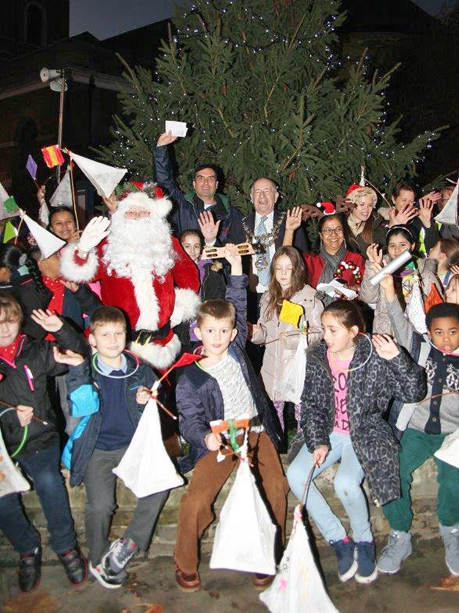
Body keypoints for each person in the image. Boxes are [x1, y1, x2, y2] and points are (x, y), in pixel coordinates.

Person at [173, 244, 287, 593]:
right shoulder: (190, 376)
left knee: (276, 488)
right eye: (210, 331)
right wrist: (203, 437)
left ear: (234, 333)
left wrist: (237, 266)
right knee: (196, 499)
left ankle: (268, 555)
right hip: (220, 438)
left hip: (255, 431)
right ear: (198, 332)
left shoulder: (236, 350)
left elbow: (237, 301)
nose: (218, 338)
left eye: (224, 331)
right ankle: (185, 562)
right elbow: (188, 420)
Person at [287, 300, 425, 585]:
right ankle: (338, 539)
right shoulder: (317, 357)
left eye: (332, 330)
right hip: (329, 432)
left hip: (364, 433)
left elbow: (413, 392)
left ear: (352, 331)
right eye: (324, 328)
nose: (325, 336)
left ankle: (364, 541)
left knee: (346, 483)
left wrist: (397, 358)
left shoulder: (374, 355)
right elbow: (311, 405)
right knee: (296, 475)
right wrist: (318, 441)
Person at [376, 277, 459, 578]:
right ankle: (400, 533)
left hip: (453, 434)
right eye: (438, 332)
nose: (446, 339)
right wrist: (389, 291)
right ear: (429, 333)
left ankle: (450, 529)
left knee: (453, 481)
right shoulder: (420, 349)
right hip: (416, 430)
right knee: (392, 471)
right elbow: (400, 323)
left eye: (453, 332)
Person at [61, 306, 169, 588]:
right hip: (97, 447)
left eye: (118, 333)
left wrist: (147, 398)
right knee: (100, 506)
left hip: (132, 446)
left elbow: (159, 402)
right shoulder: (85, 369)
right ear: (92, 340)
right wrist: (79, 374)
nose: (112, 340)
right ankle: (98, 558)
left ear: (126, 336)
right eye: (105, 334)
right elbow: (79, 407)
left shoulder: (140, 368)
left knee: (159, 483)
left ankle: (128, 543)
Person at [0, 295, 89, 592]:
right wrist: (10, 417)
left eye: (10, 321)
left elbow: (77, 354)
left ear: (19, 321)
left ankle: (65, 545)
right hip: (3, 446)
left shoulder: (36, 350)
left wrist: (61, 329)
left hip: (40, 438)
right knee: (2, 497)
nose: (5, 329)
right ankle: (28, 547)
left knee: (49, 481)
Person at [60, 183, 200, 369]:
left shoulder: (167, 242)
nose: (137, 217)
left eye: (143, 212)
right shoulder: (108, 245)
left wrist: (180, 308)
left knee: (157, 387)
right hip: (118, 344)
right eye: (131, 212)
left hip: (161, 342)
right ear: (121, 215)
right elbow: (83, 275)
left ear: (154, 214)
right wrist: (83, 250)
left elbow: (189, 275)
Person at [250, 246, 323, 440]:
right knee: (273, 416)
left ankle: (302, 449)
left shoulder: (310, 297)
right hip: (271, 366)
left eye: (288, 268)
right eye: (278, 268)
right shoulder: (268, 296)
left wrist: (294, 340)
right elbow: (265, 333)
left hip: (297, 366)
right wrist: (255, 333)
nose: (283, 273)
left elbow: (319, 332)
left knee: (302, 416)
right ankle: (277, 448)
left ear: (297, 269)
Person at [153, 131, 243, 243]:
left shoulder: (231, 215)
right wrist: (161, 148)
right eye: (201, 178)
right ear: (194, 184)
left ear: (216, 184)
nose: (206, 182)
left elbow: (239, 246)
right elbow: (165, 182)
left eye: (211, 178)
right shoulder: (181, 207)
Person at [358, 226, 440, 334]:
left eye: (402, 245)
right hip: (386, 333)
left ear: (412, 246)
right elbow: (368, 298)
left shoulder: (424, 270)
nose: (397, 250)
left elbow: (436, 307)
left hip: (416, 333)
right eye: (392, 245)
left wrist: (416, 298)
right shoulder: (383, 267)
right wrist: (373, 266)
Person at [238, 177, 307, 296]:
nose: (262, 196)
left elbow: (302, 260)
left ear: (276, 196)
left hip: (284, 292)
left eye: (267, 191)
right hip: (249, 295)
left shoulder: (291, 222)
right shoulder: (240, 224)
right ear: (251, 197)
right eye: (258, 191)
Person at [284, 209, 365, 296]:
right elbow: (284, 262)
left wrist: (351, 289)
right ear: (320, 235)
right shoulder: (310, 260)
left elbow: (366, 289)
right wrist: (289, 231)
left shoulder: (356, 259)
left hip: (347, 304)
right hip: (314, 304)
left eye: (338, 229)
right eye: (327, 230)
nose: (333, 234)